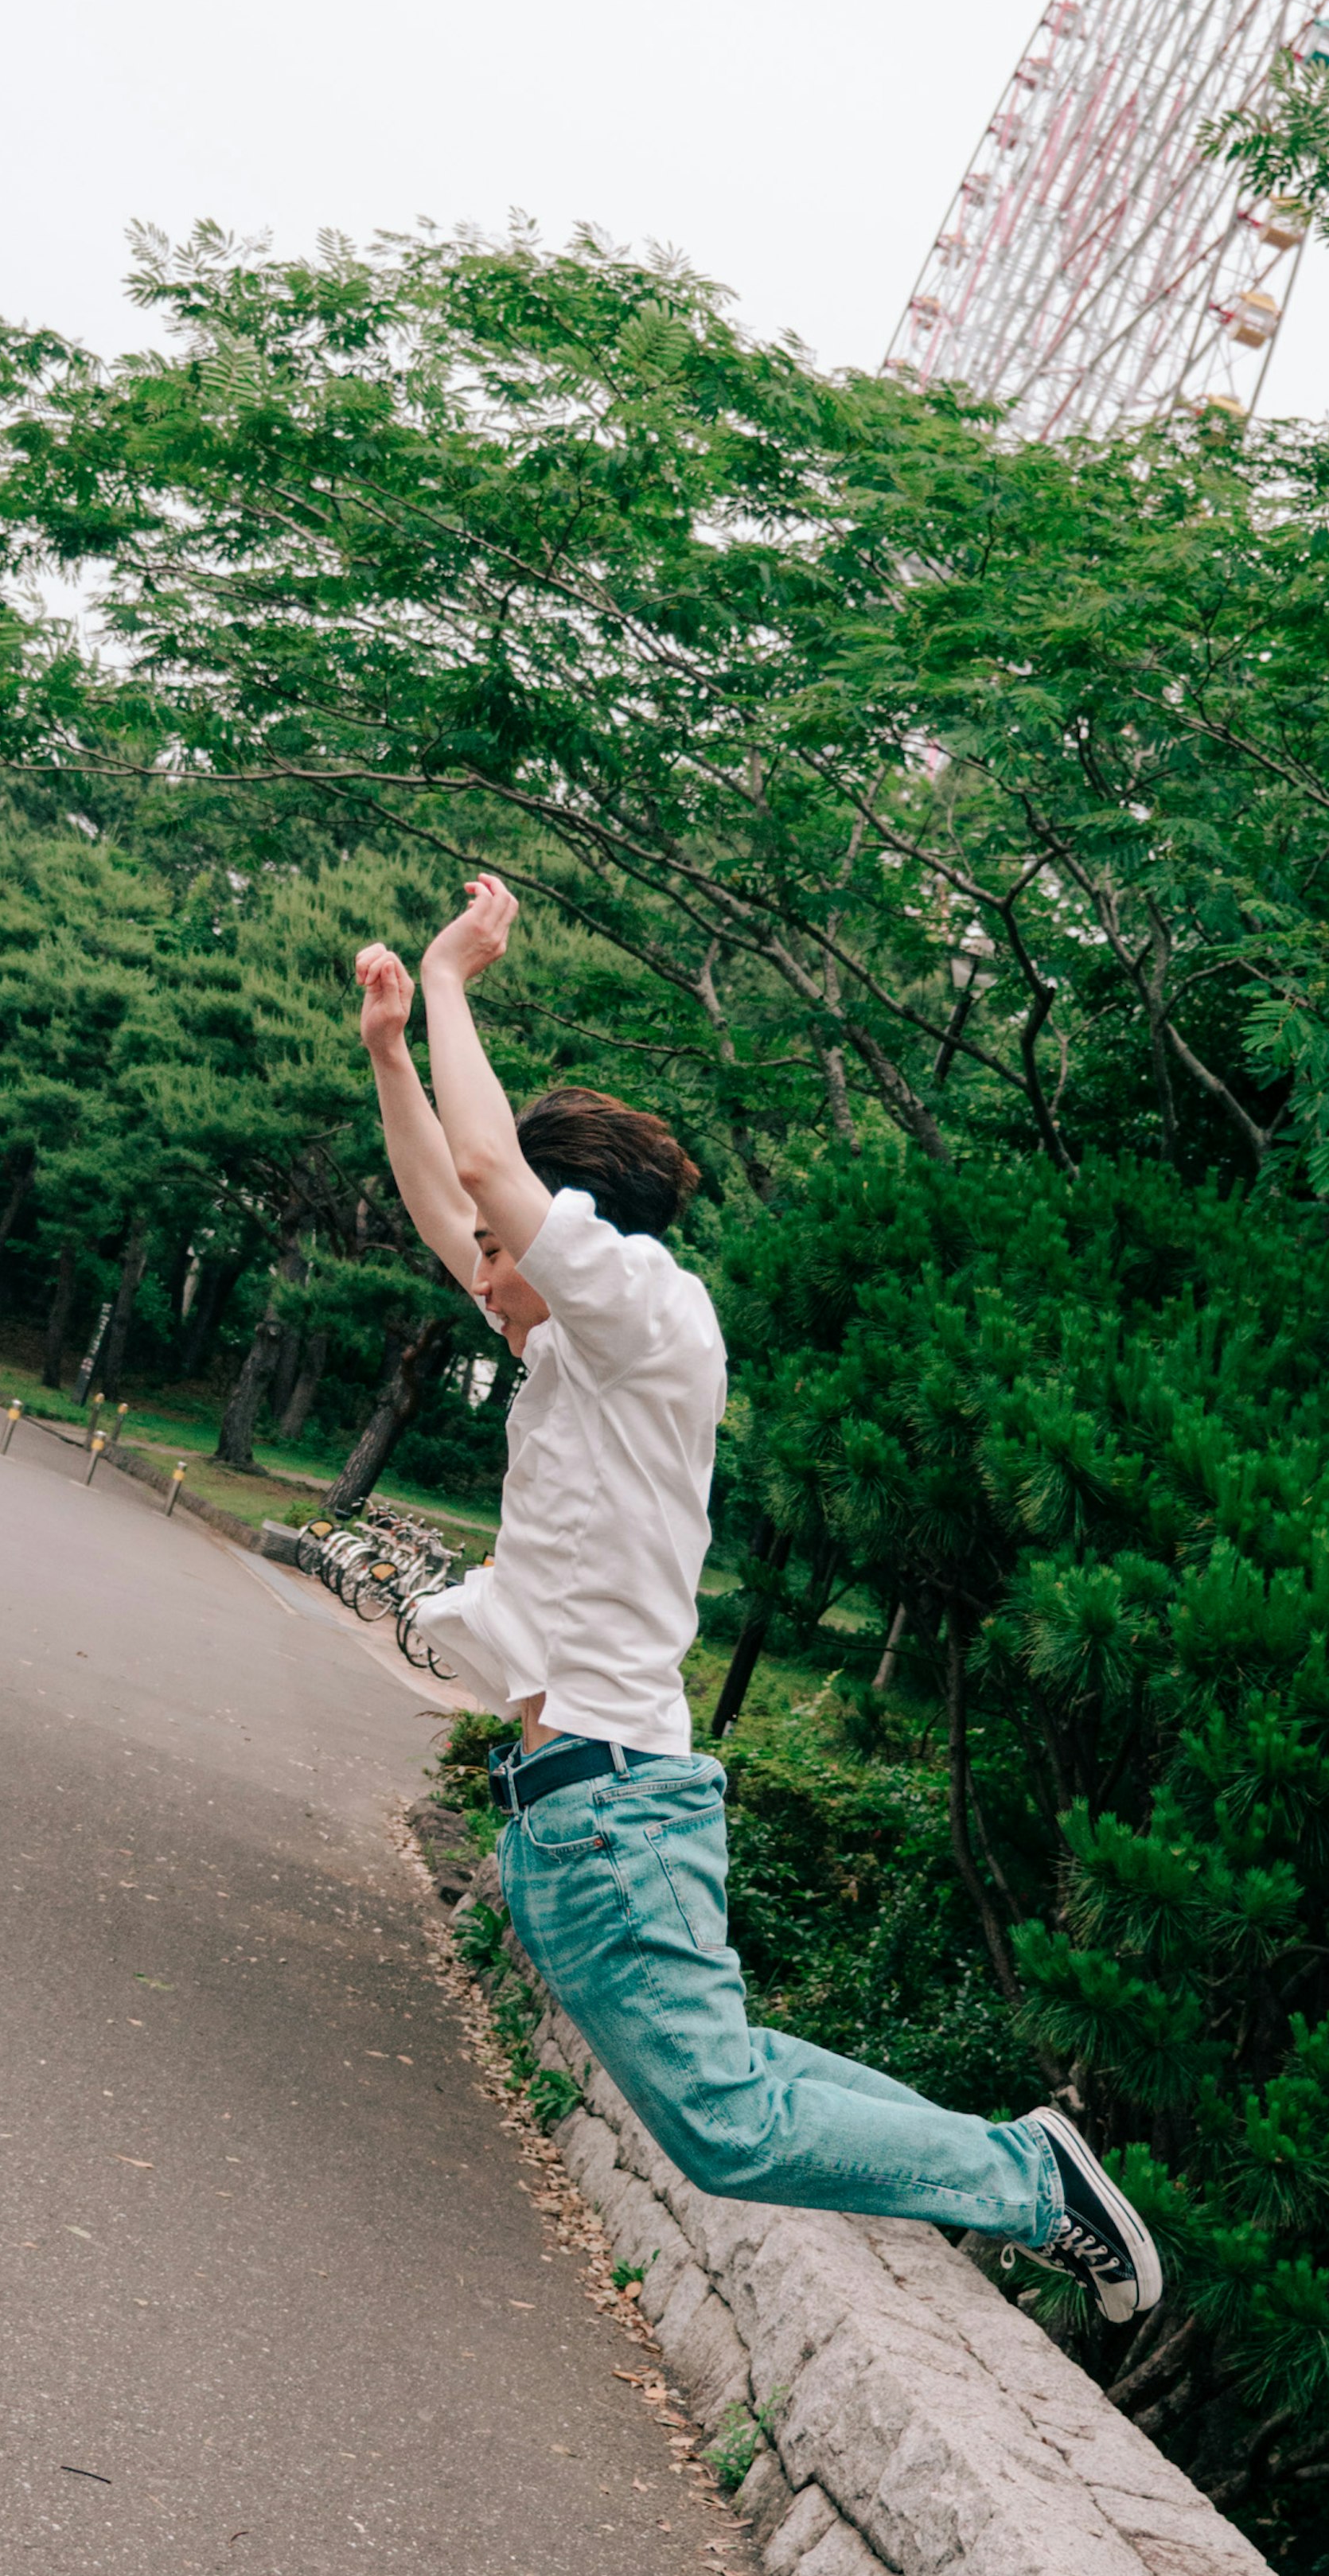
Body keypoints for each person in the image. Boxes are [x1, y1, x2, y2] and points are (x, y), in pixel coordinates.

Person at [355, 875, 1162, 2325]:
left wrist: (454, 980)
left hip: (613, 1806)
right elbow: (450, 1194)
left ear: (569, 1227)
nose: (481, 1275)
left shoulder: (643, 1314)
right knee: (731, 2074)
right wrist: (390, 1052)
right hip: (574, 1812)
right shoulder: (568, 1348)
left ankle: (1035, 2184)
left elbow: (485, 1185)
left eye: (505, 1251)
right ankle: (1019, 2165)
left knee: (724, 2119)